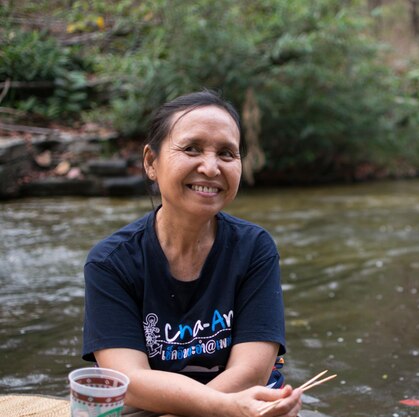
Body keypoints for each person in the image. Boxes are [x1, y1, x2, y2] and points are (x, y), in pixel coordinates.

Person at [81, 90, 302, 417]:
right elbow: (128, 379)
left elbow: (252, 372)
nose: (211, 168)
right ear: (151, 162)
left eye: (227, 153)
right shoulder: (111, 262)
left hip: (242, 404)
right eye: (191, 148)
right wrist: (218, 408)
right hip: (161, 409)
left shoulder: (255, 248)